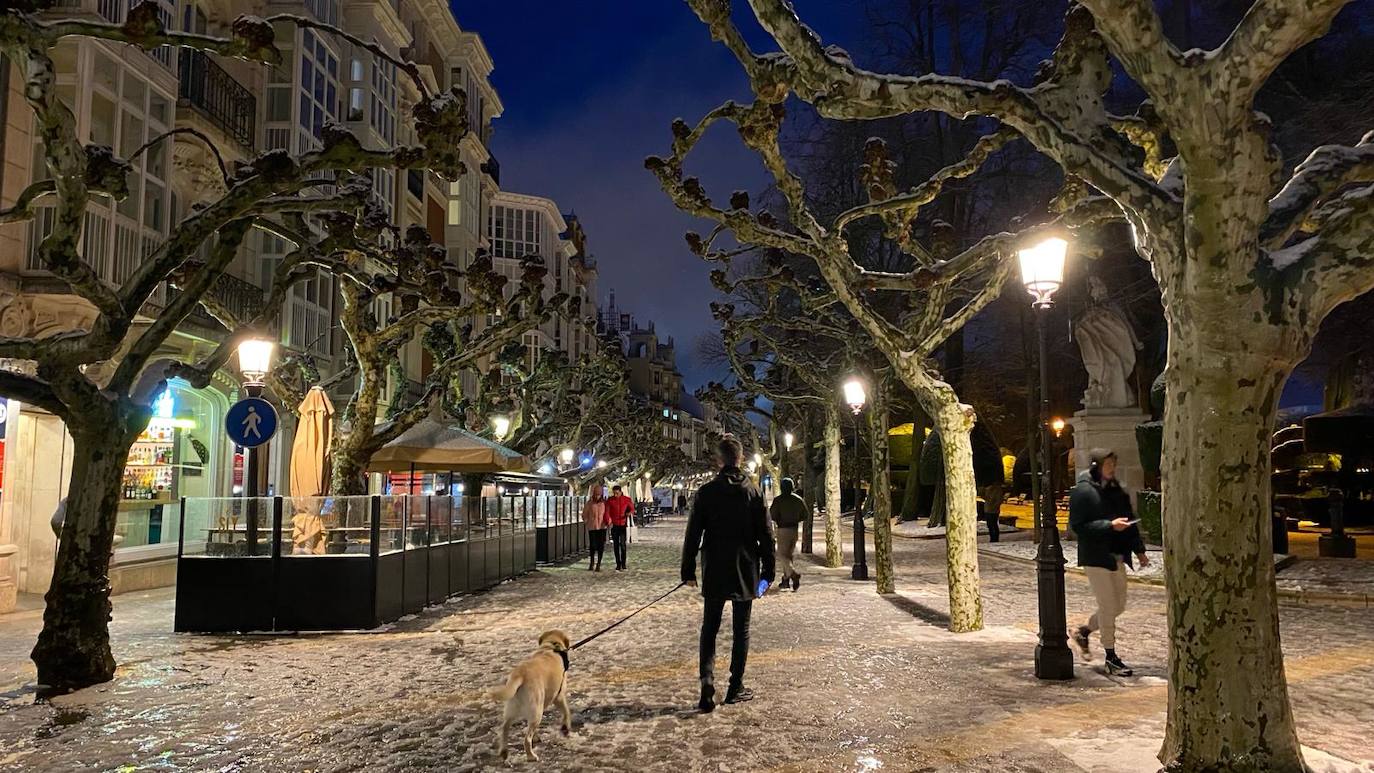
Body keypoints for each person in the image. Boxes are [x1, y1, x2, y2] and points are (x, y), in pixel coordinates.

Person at [682, 435, 775, 713]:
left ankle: (707, 684)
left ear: (719, 460)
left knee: (709, 628)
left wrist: (687, 570)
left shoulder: (706, 492)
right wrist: (768, 572)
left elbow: (692, 535)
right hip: (745, 568)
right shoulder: (754, 492)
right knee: (741, 630)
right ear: (741, 458)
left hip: (715, 568)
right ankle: (736, 686)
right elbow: (766, 535)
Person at [1069, 448, 1149, 676]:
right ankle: (1111, 657)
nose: (1112, 468)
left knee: (1118, 606)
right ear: (1096, 466)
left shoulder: (1116, 491)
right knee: (1107, 606)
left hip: (1117, 556)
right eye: (1108, 464)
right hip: (1096, 558)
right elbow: (1078, 526)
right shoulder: (1083, 492)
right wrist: (1108, 525)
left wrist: (1140, 551)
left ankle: (1083, 631)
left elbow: (1129, 522)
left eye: (1113, 464)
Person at [768, 478, 806, 591]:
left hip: (783, 529)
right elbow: (805, 514)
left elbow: (772, 515)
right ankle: (786, 580)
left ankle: (793, 574)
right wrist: (796, 518)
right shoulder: (798, 500)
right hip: (794, 529)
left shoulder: (778, 500)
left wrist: (779, 519)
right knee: (788, 555)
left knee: (781, 554)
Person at [604, 484, 635, 571]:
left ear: (620, 492)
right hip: (614, 525)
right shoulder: (610, 500)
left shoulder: (626, 500)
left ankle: (623, 563)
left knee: (623, 544)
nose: (615, 495)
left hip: (623, 524)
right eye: (614, 493)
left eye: (617, 493)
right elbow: (607, 512)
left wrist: (629, 513)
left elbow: (632, 509)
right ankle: (618, 563)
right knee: (616, 545)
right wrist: (608, 521)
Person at [582, 486, 608, 571]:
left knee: (601, 546)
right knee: (592, 545)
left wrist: (608, 522)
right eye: (596, 494)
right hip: (592, 527)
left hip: (602, 526)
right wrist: (586, 521)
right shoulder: (589, 503)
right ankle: (592, 562)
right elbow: (584, 513)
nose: (597, 496)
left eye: (599, 494)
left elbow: (607, 513)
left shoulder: (604, 503)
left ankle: (598, 564)